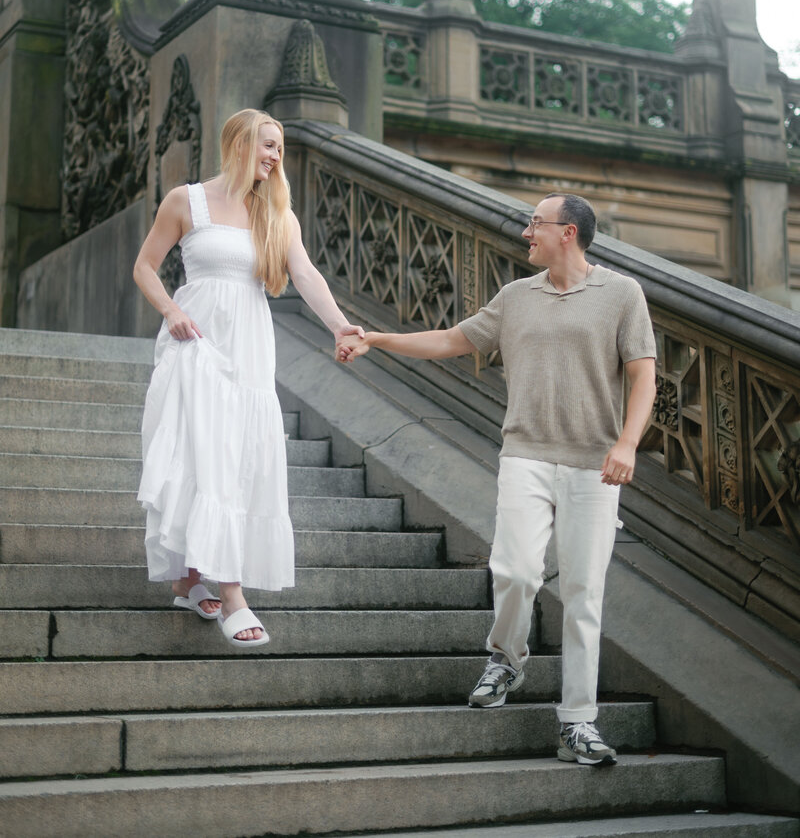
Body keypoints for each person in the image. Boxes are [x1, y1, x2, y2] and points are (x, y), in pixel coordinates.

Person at [339, 193, 656, 764]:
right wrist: (378, 339)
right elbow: (451, 341)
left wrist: (627, 443)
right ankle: (506, 658)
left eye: (537, 223)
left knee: (584, 593)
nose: (526, 232)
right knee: (513, 569)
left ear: (570, 233)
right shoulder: (515, 298)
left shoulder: (621, 294)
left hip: (594, 465)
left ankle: (578, 724)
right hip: (526, 454)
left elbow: (643, 377)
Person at [133, 109, 362, 647]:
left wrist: (340, 326)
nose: (275, 156)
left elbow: (304, 272)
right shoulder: (184, 201)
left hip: (250, 350)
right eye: (268, 145)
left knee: (233, 459)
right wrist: (170, 310)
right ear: (237, 143)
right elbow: (145, 265)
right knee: (198, 453)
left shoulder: (275, 211)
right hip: (196, 341)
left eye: (279, 148)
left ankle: (190, 578)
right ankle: (231, 593)